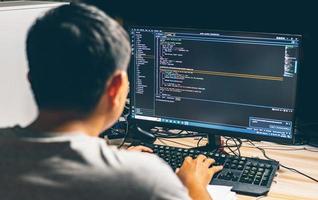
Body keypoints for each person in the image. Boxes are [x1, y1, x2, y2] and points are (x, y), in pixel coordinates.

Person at [0, 3, 222, 200]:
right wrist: (194, 187)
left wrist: (116, 160)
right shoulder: (145, 179)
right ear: (115, 88)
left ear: (31, 79)